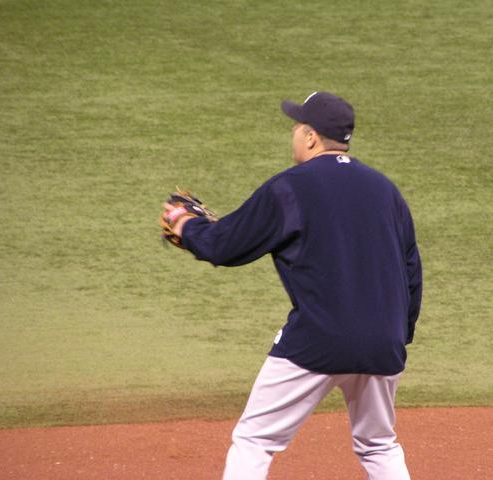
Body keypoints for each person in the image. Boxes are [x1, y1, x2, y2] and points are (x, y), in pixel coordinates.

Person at [163, 91, 422, 479]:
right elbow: (411, 270)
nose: (294, 133)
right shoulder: (386, 190)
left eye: (298, 126)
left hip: (318, 340)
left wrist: (187, 225)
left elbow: (225, 246)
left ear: (312, 137)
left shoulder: (290, 187)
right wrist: (399, 334)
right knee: (379, 444)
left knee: (255, 439)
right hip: (384, 341)